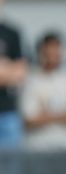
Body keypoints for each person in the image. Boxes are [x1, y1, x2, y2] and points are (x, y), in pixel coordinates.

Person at [21, 31, 66, 151]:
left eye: (56, 50)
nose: (52, 55)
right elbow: (29, 119)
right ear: (41, 52)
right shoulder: (30, 81)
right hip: (38, 146)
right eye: (48, 51)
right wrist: (63, 114)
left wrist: (46, 114)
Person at [0, 1, 26, 149]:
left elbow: (20, 73)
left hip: (7, 113)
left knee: (11, 168)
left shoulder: (12, 33)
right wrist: (6, 68)